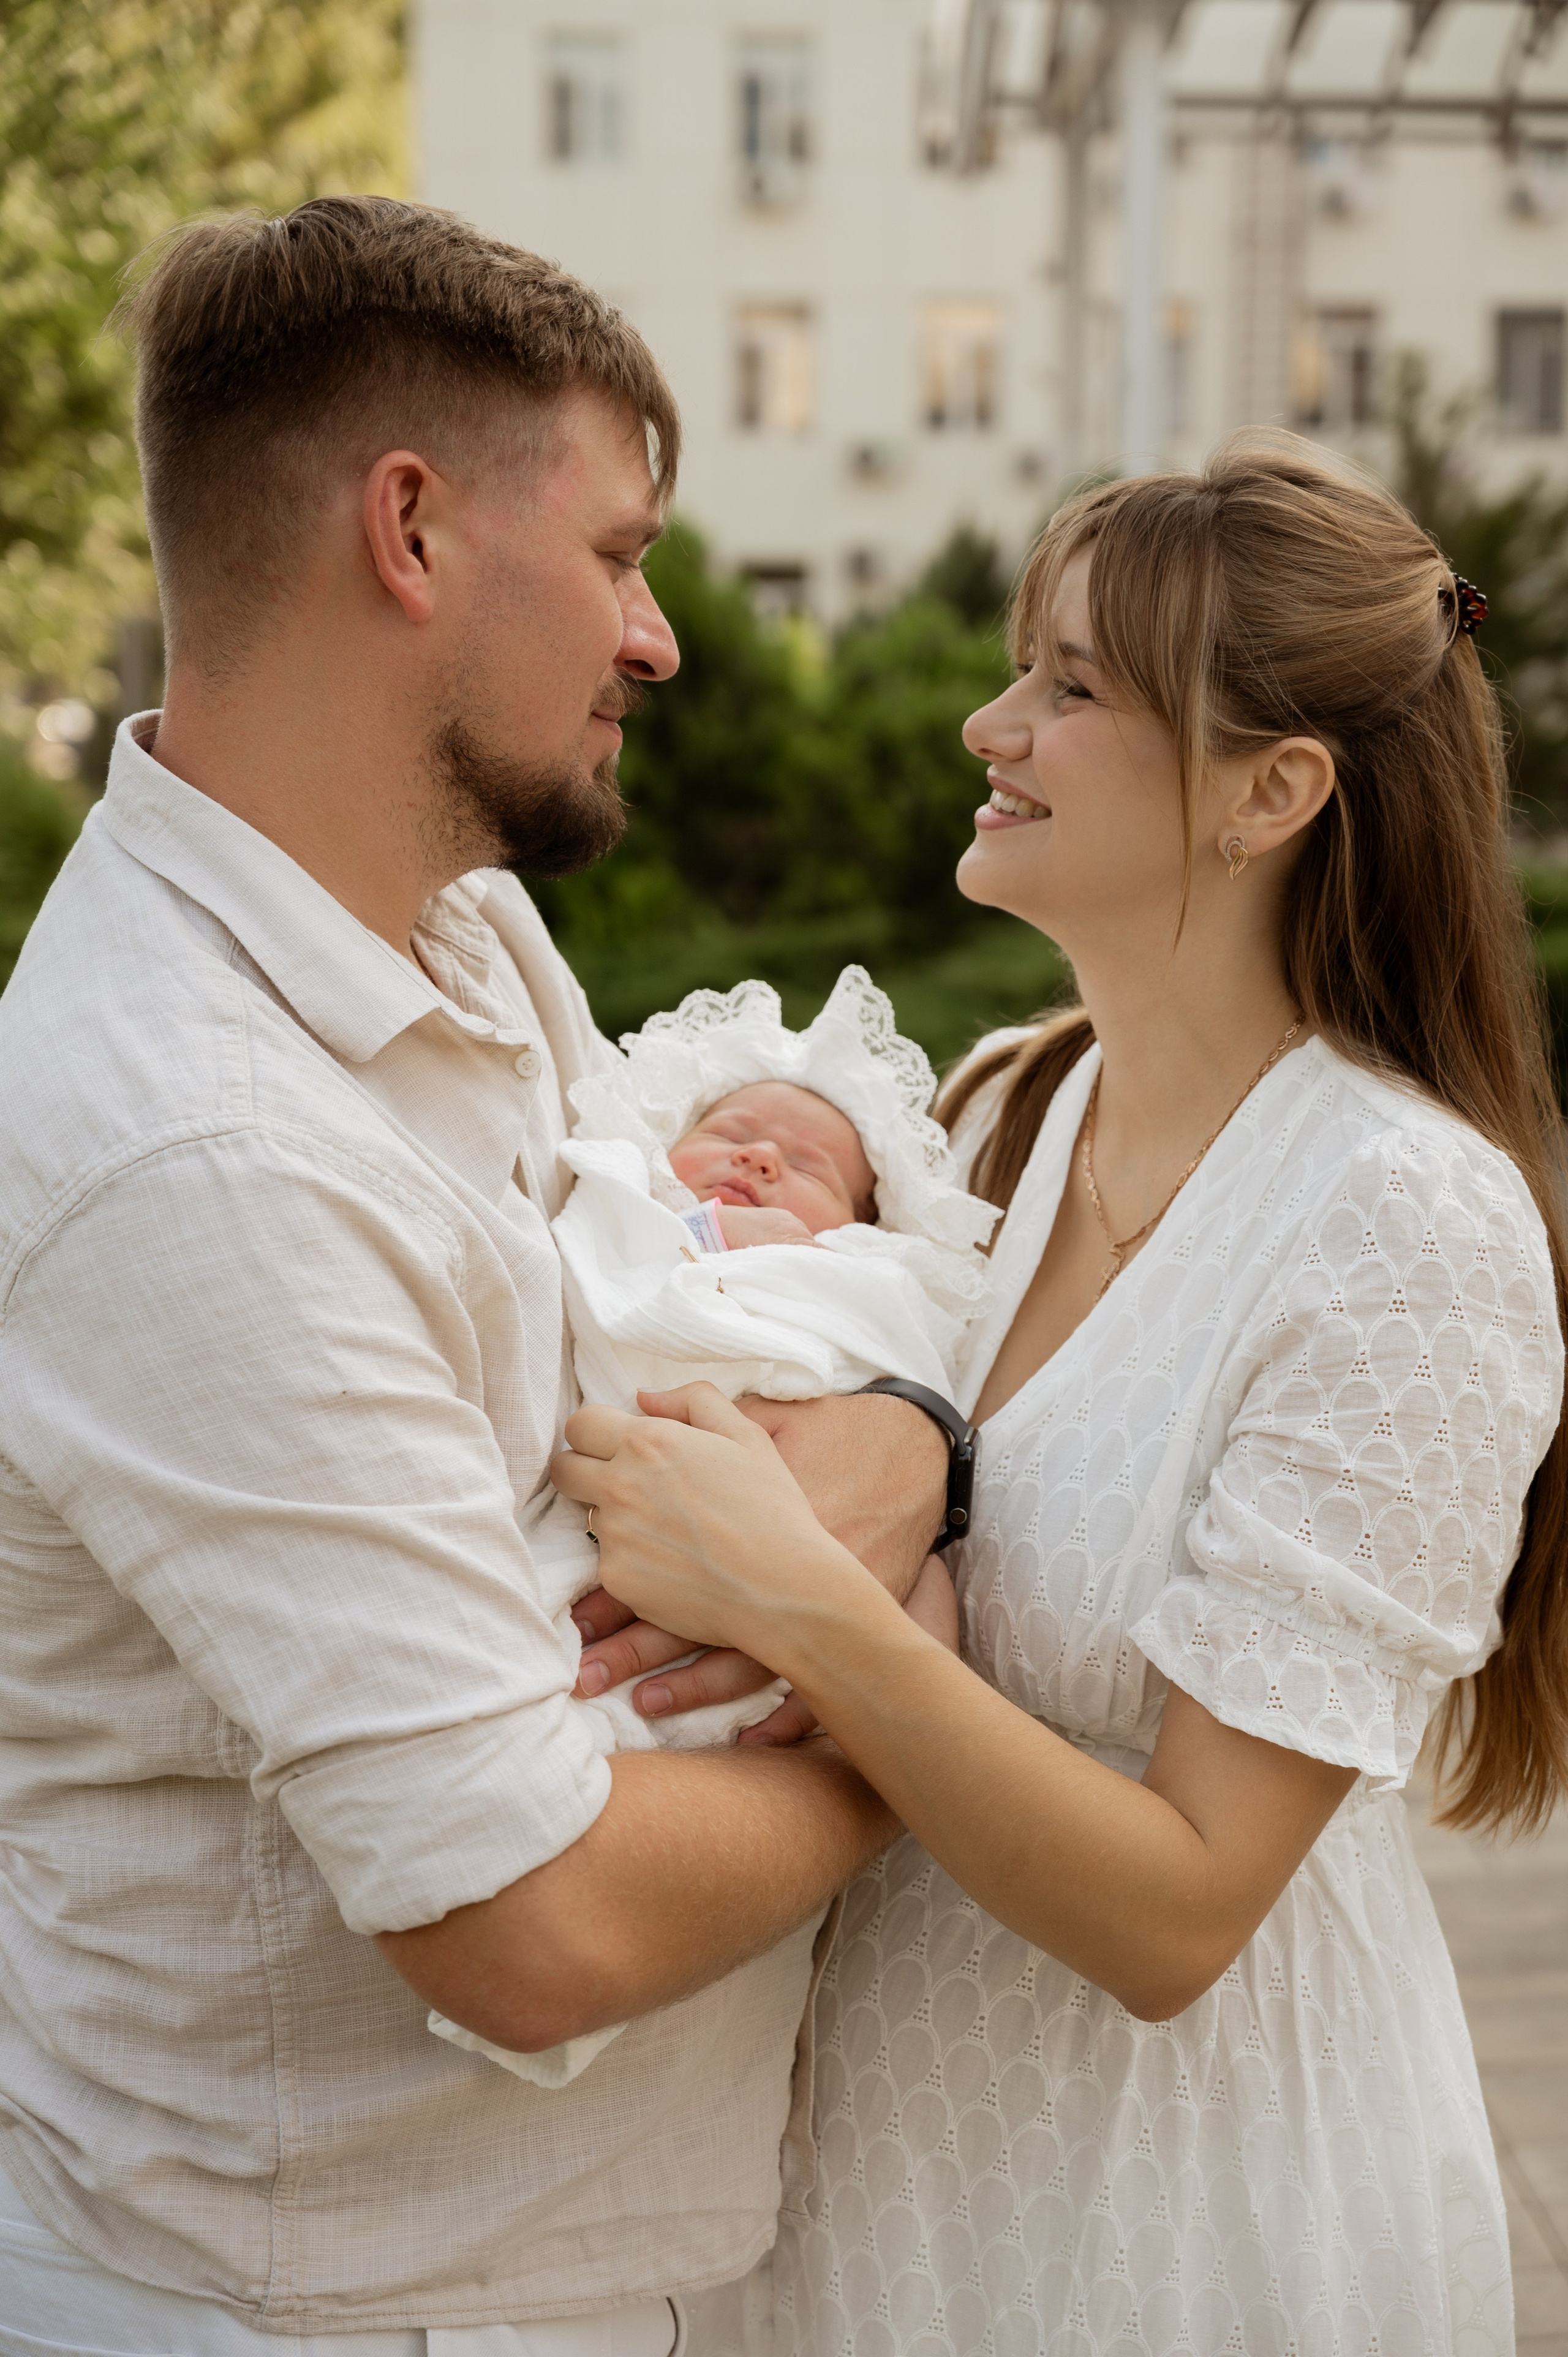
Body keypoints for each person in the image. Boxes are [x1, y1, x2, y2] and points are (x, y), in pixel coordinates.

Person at [0, 197, 956, 2353]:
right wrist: (932, 1710)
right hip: (324, 2303)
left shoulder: (453, 928)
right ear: (410, 530)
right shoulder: (203, 1144)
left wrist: (903, 1438)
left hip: (541, 2269)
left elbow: (703, 1329)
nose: (659, 635)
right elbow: (524, 1917)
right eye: (616, 553)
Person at [558, 436, 1568, 2357]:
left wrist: (796, 1596)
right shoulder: (1000, 1111)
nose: (987, 718)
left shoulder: (1408, 1225)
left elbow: (1182, 1916)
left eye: (1073, 686)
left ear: (1271, 792)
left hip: (1179, 2218)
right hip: (869, 2193)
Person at [435, 966, 998, 2092]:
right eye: (733, 1135)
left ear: (868, 1229)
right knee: (569, 1665)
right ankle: (555, 1876)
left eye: (810, 1171)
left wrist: (909, 1423)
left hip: (806, 1525)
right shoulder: (618, 1203)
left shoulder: (863, 1281)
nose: (757, 1164)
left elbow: (904, 1360)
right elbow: (608, 1285)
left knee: (865, 1637)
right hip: (605, 1514)